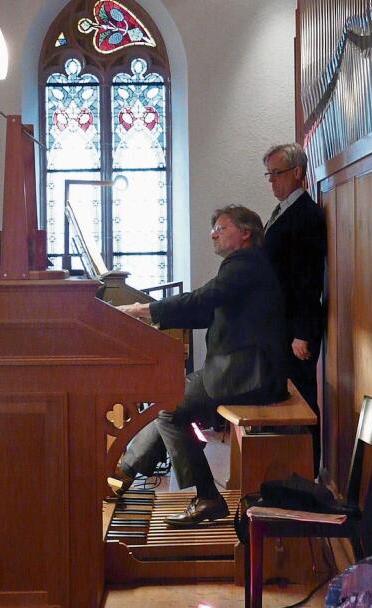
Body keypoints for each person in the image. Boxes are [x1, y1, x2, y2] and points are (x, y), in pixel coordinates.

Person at [109, 205, 287, 527]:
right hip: (244, 369)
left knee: (169, 409)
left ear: (245, 233)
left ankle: (206, 496)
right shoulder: (245, 266)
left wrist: (141, 310)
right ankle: (123, 472)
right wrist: (154, 316)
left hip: (247, 375)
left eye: (221, 227)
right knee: (171, 400)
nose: (213, 233)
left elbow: (204, 299)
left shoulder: (244, 264)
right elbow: (206, 312)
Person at [262, 143, 327, 474]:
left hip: (296, 329)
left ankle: (308, 472)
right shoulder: (285, 210)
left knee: (302, 400)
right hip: (282, 324)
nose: (272, 181)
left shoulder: (305, 214)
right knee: (288, 400)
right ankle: (291, 472)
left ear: (298, 172)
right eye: (269, 175)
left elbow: (308, 276)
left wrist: (301, 332)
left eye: (277, 173)